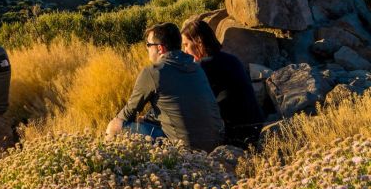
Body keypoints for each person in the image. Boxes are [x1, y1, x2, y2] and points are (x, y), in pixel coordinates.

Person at [106, 22, 224, 152]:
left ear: (160, 48)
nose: (147, 49)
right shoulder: (196, 67)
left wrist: (115, 124)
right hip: (215, 143)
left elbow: (128, 113)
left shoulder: (153, 72)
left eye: (148, 45)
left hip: (185, 149)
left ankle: (110, 165)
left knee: (115, 126)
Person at [181, 17, 264, 148]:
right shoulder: (231, 58)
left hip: (237, 133)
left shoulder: (204, 66)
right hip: (256, 125)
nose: (184, 51)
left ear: (198, 42)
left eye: (186, 44)